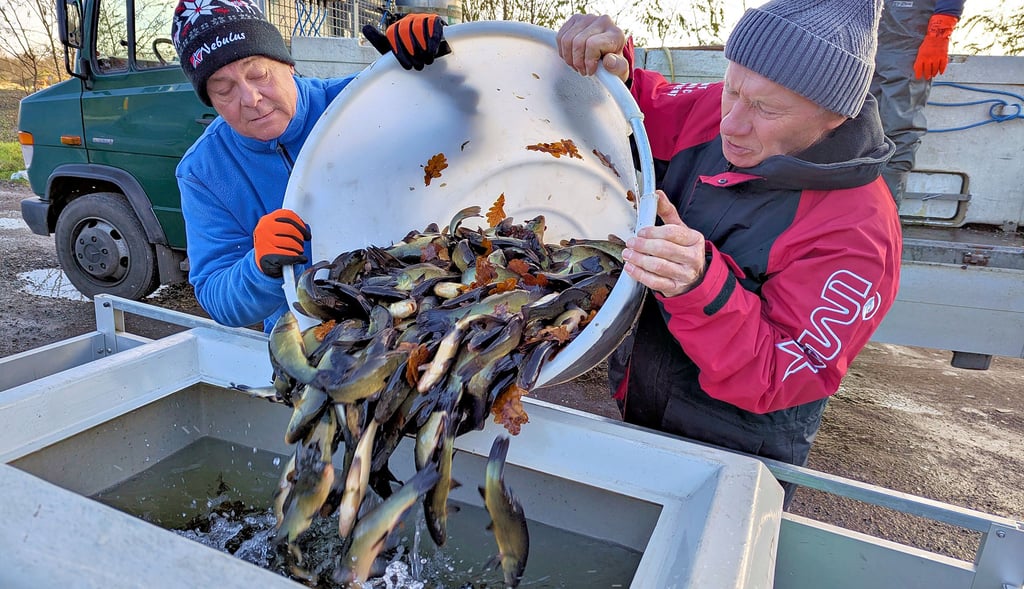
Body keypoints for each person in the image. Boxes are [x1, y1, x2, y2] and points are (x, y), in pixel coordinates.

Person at [556, 0, 902, 506]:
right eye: (733, 89)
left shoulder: (859, 229)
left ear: (835, 115)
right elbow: (637, 106)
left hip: (740, 450)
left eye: (766, 108)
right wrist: (609, 63)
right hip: (644, 400)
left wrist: (701, 287)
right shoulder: (712, 111)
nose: (732, 125)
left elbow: (786, 371)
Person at [171, 0, 449, 332]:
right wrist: (259, 267)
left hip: (424, 303)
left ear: (287, 64)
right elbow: (217, 296)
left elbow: (476, 131)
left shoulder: (358, 101)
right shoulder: (204, 171)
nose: (250, 98)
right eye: (223, 90)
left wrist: (438, 68)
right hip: (315, 338)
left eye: (258, 74)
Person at [872, 0, 965, 207]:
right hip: (867, 33)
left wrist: (939, 32)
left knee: (897, 127)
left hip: (907, 36)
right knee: (857, 125)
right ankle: (853, 215)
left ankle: (884, 218)